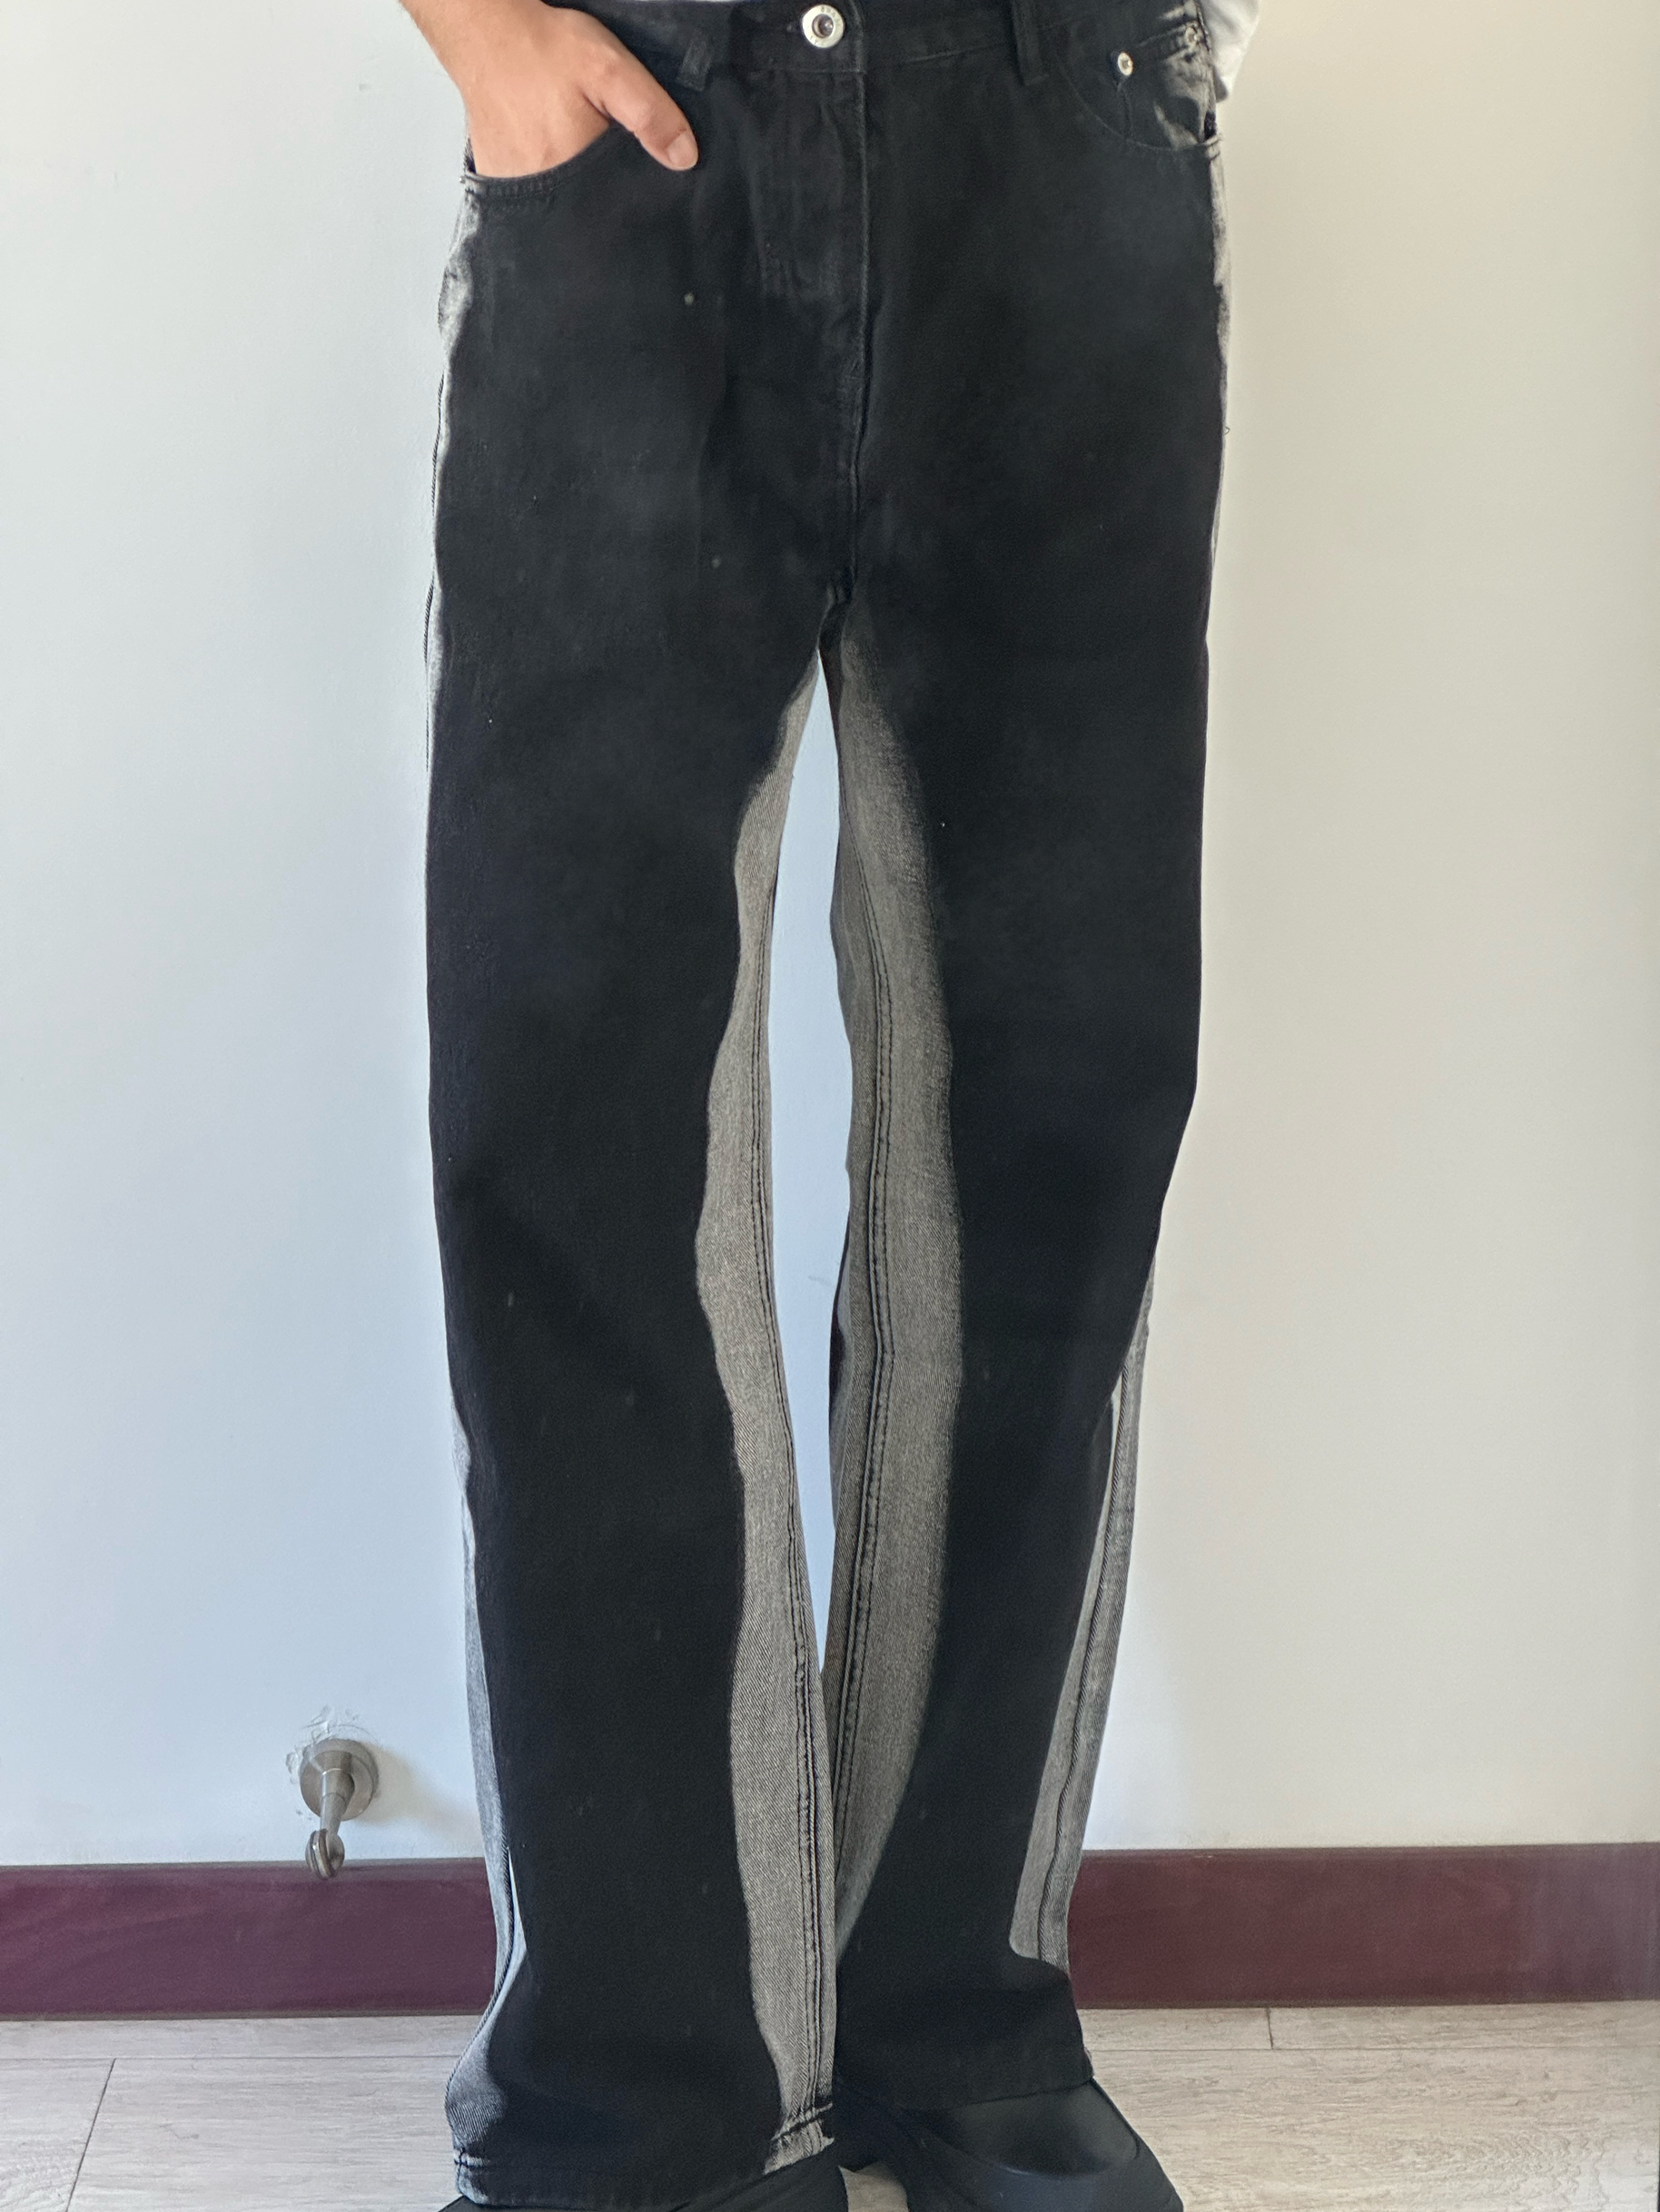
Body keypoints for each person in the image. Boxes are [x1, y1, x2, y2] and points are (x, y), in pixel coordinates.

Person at [401, 0, 1256, 2204]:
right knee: (575, 1131)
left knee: (1045, 1129)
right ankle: (647, 2092)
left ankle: (954, 2015)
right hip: (637, 122)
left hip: (1062, 134)